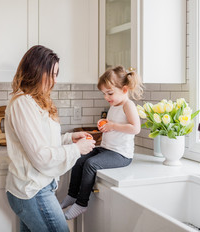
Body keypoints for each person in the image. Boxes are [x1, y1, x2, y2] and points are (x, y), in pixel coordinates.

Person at [5, 45, 96, 232]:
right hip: (33, 190)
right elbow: (41, 157)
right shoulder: (23, 103)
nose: (54, 81)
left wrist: (70, 138)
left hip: (35, 188)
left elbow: (46, 142)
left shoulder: (34, 101)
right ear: (36, 71)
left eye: (56, 74)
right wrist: (76, 149)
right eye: (51, 74)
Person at [61, 66, 144, 220]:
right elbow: (114, 124)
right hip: (107, 149)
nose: (106, 97)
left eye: (110, 93)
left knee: (91, 164)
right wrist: (104, 123)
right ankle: (72, 195)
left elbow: (135, 128)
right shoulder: (114, 104)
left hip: (121, 155)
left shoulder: (128, 105)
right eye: (104, 94)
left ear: (124, 89)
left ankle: (81, 204)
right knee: (79, 158)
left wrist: (112, 125)